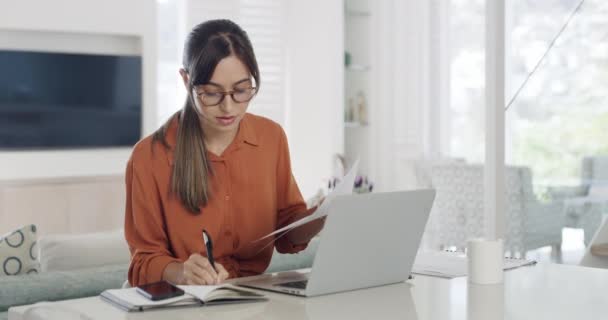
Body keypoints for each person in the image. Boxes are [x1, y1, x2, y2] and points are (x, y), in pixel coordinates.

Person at [125, 19, 323, 287]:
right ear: (186, 81)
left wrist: (322, 216)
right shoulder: (149, 157)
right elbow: (143, 261)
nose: (228, 107)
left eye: (241, 90)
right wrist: (181, 271)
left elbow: (287, 234)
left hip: (255, 295)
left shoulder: (271, 138)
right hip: (182, 300)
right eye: (211, 93)